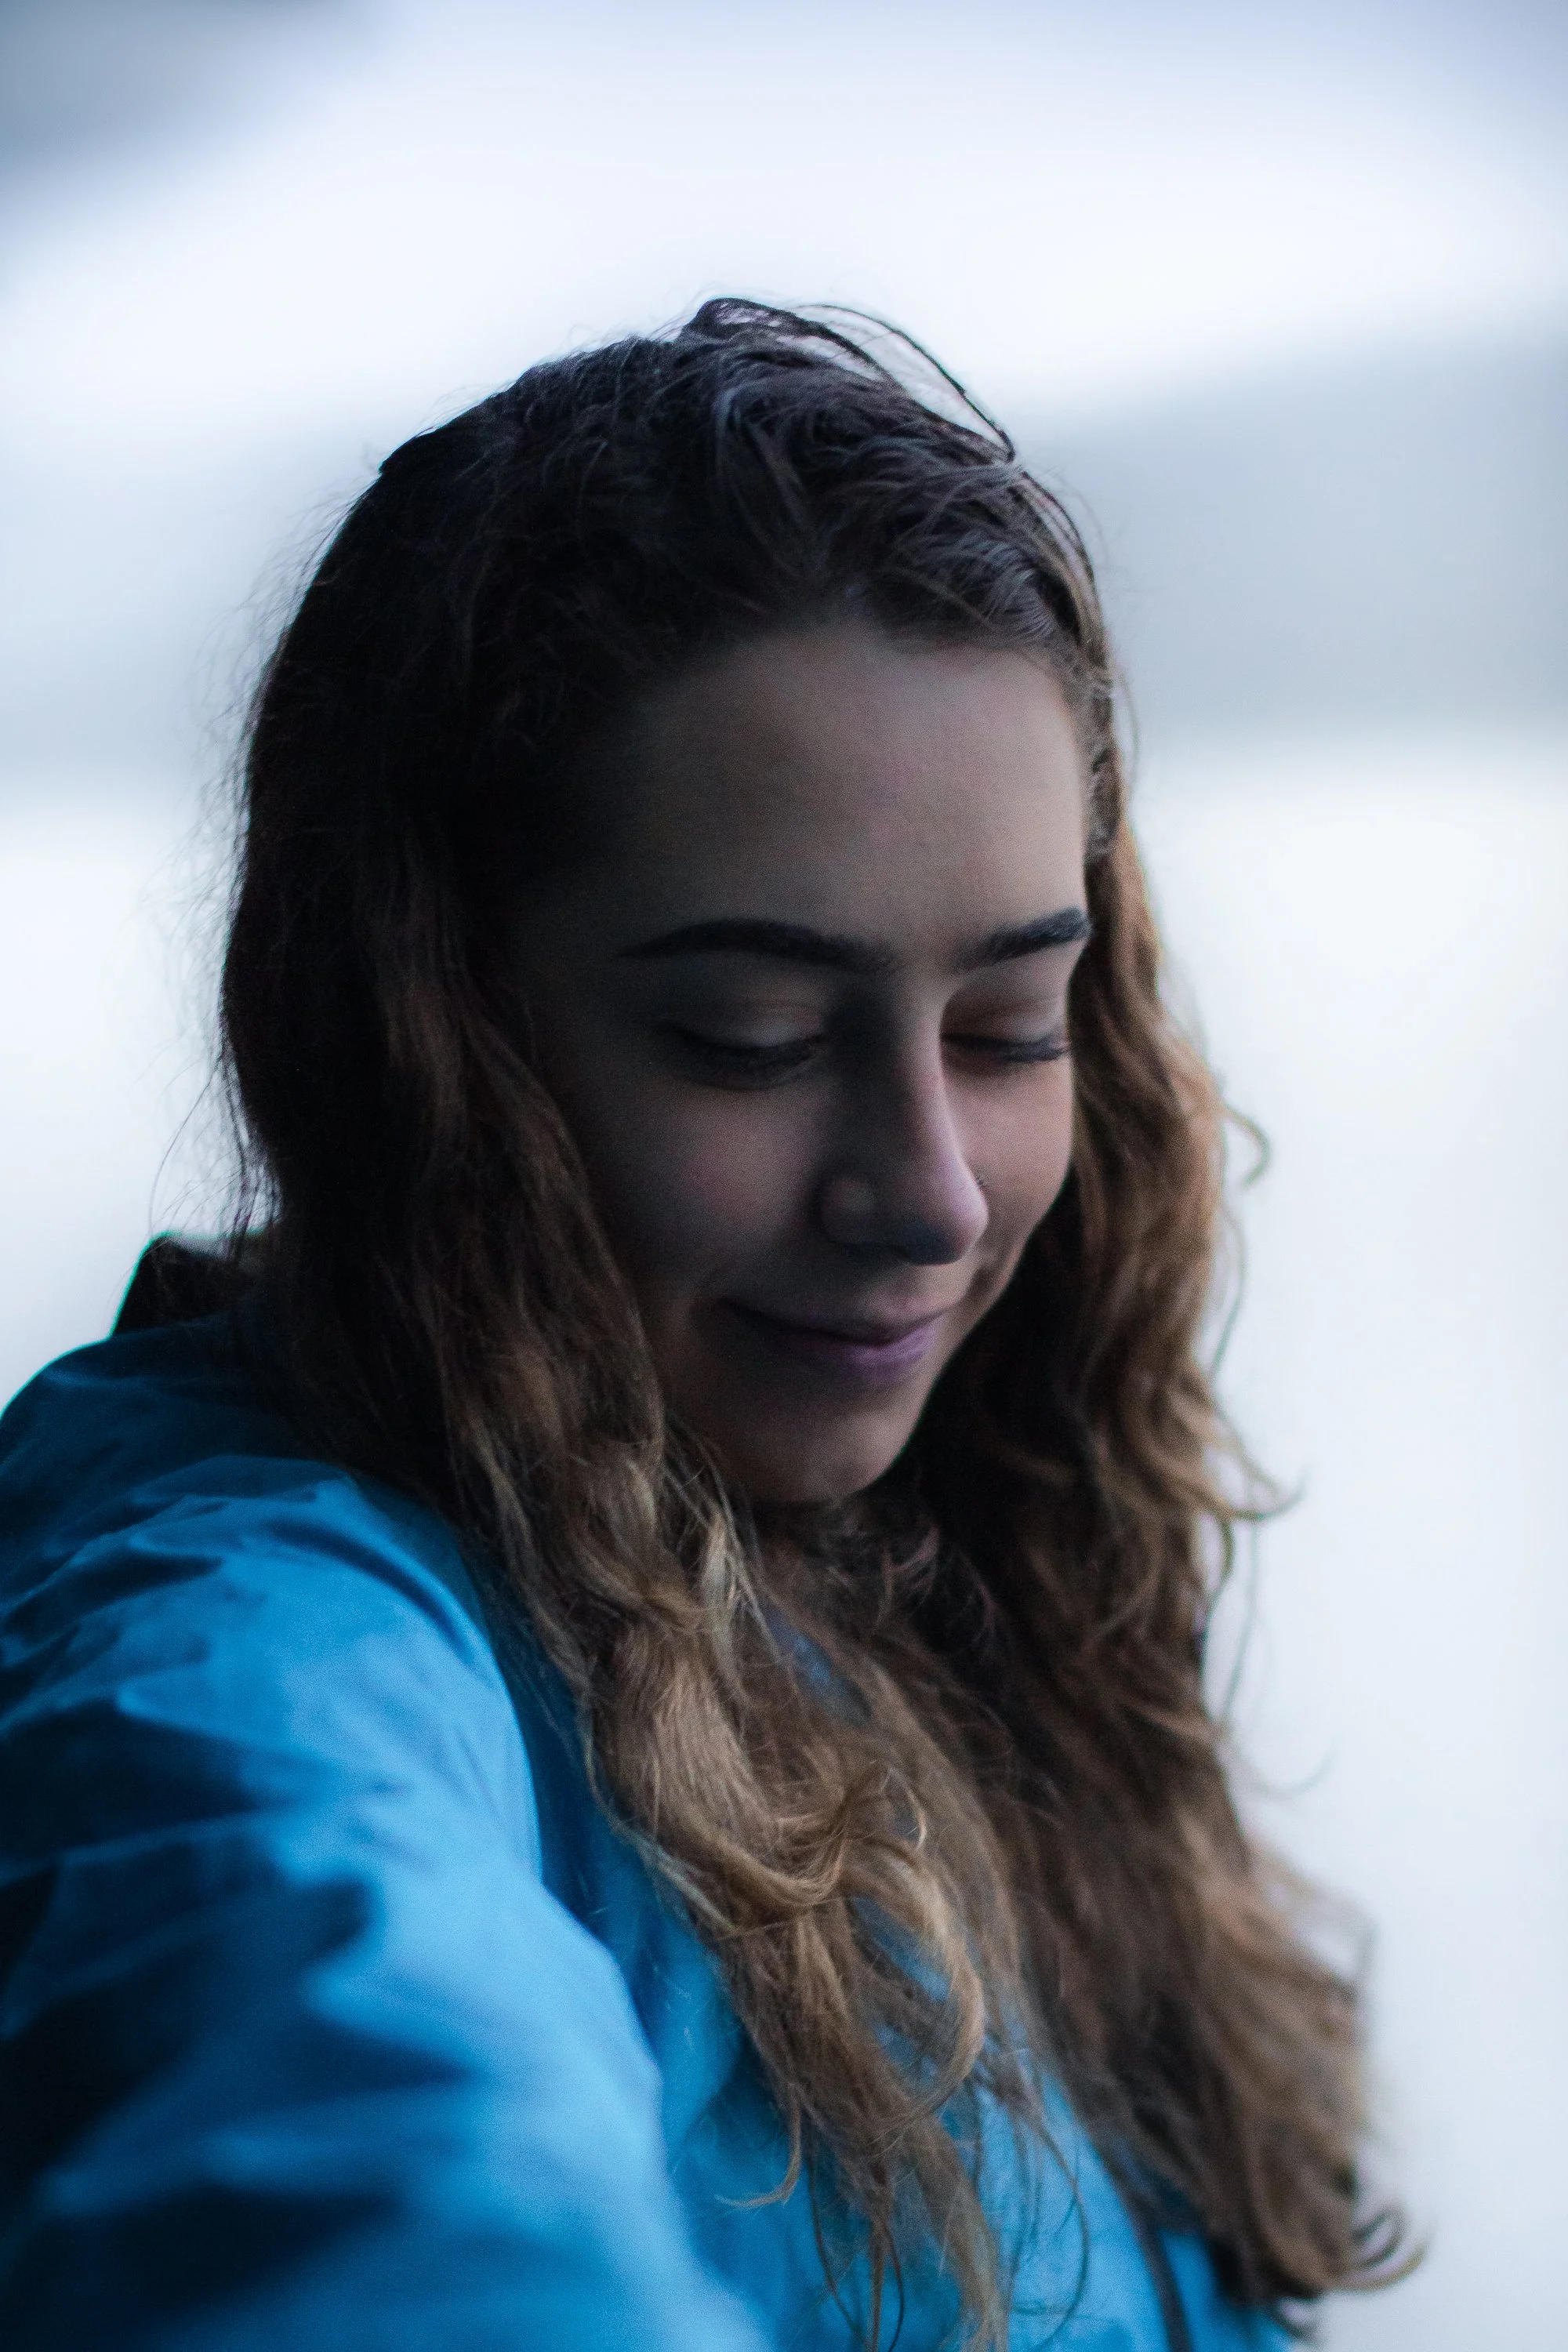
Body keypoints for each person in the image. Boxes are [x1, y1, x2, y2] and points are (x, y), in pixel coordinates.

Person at [0, 301, 1403, 2349]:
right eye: (746, 1040)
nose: (928, 1190)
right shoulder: (239, 1643)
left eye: (1013, 1025)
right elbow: (329, 2126)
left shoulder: (927, 1563)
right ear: (420, 1034)